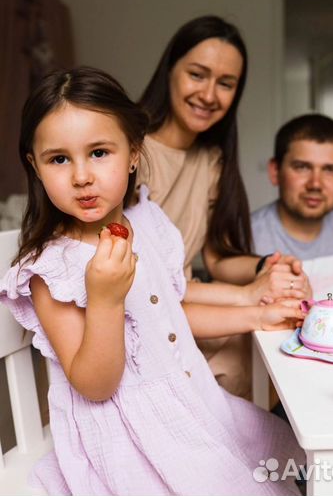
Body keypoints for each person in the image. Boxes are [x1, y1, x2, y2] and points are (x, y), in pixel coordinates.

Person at [0, 66, 305, 496]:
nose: (82, 175)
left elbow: (170, 314)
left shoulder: (147, 220)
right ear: (36, 165)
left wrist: (258, 313)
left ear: (134, 153)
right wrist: (105, 299)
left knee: (278, 470)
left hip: (195, 400)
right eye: (59, 159)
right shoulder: (51, 269)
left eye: (100, 152)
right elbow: (95, 384)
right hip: (131, 434)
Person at [136, 14, 311, 397]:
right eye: (197, 74)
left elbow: (218, 259)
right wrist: (248, 296)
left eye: (226, 83)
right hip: (142, 315)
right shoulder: (127, 151)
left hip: (187, 306)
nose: (210, 95)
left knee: (258, 349)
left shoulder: (212, 159)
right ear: (170, 70)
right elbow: (138, 282)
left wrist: (268, 266)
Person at [251, 113, 333, 301]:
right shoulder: (244, 237)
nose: (315, 184)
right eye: (302, 167)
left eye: (330, 170)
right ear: (275, 171)